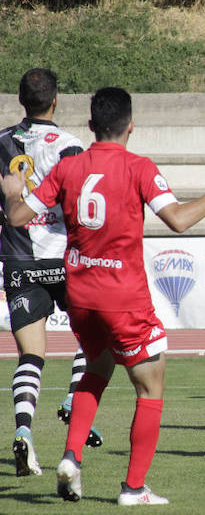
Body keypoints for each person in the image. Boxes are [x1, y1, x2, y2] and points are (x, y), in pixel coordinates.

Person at [0, 86, 205, 504]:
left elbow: (18, 216)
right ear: (131, 125)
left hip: (81, 297)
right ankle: (133, 488)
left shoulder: (67, 168)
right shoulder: (139, 167)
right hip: (124, 298)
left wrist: (13, 192)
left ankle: (72, 458)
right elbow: (179, 220)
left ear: (92, 125)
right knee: (150, 387)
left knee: (96, 370)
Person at [0, 69, 105, 478]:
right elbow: (79, 200)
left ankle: (24, 432)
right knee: (94, 338)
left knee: (31, 355)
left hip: (19, 260)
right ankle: (74, 400)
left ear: (21, 101)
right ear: (56, 100)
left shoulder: (1, 142)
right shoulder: (69, 145)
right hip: (63, 256)